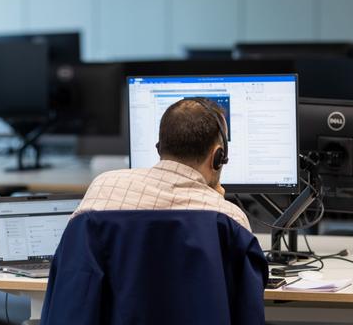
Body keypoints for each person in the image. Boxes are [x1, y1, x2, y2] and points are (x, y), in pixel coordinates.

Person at [73, 97, 251, 231]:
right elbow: (247, 281)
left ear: (159, 148)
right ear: (218, 157)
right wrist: (216, 201)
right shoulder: (229, 219)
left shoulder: (103, 189)